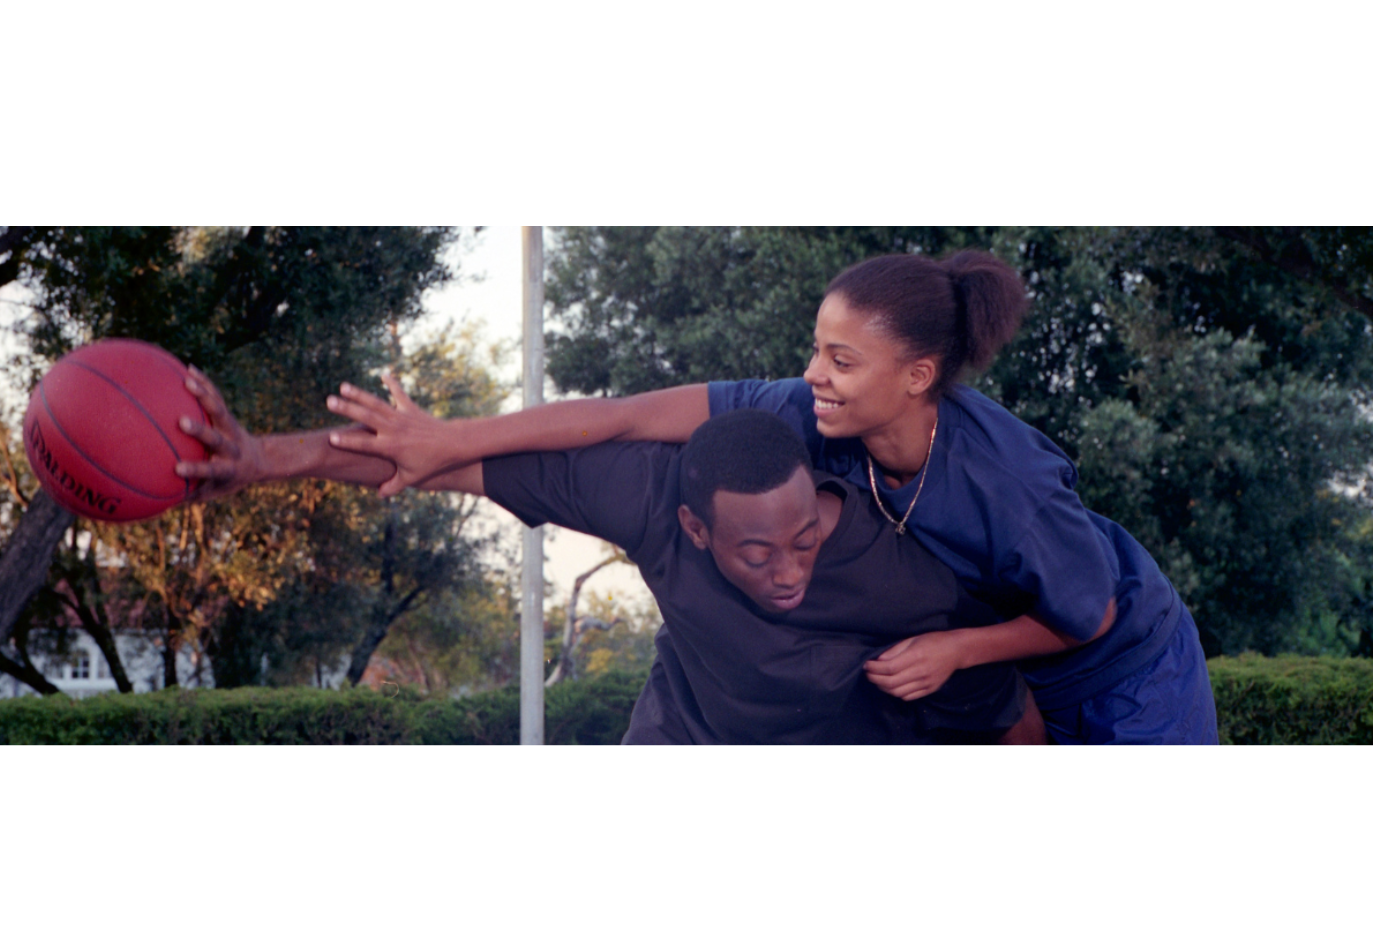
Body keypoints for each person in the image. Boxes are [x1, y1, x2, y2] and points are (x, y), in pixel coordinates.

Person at [322, 250, 1219, 745]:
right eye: (816, 348)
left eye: (840, 359)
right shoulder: (805, 412)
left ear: (916, 376)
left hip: (1124, 666)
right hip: (1003, 668)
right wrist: (454, 438)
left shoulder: (1009, 485)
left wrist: (955, 646)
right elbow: (628, 417)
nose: (812, 374)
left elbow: (1090, 612)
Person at [173, 376, 1042, 743]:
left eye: (804, 538)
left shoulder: (899, 574)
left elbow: (1008, 710)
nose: (788, 569)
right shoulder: (647, 495)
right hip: (688, 737)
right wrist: (262, 459)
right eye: (757, 550)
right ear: (696, 530)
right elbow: (433, 460)